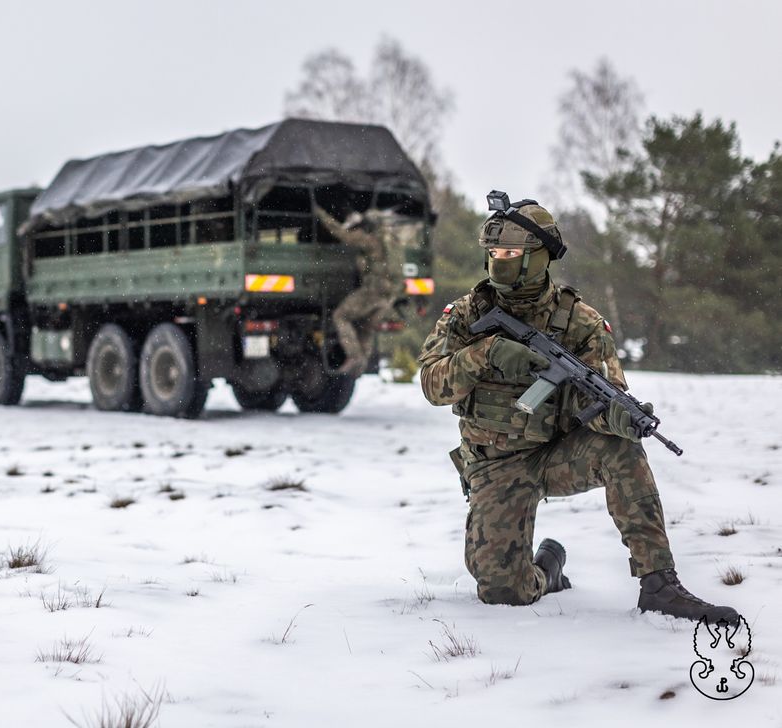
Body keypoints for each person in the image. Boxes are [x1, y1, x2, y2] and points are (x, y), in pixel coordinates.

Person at [416, 194, 738, 624]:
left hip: (555, 456)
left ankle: (659, 583)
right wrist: (486, 353)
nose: (499, 261)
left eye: (511, 253)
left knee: (621, 449)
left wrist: (619, 417)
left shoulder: (580, 322)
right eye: (493, 253)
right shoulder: (465, 313)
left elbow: (602, 392)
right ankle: (549, 567)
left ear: (539, 257)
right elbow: (431, 385)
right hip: (494, 465)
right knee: (501, 592)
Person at [314, 205, 403, 375]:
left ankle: (355, 357)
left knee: (340, 316)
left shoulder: (369, 240)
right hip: (389, 296)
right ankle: (361, 364)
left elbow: (340, 233)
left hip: (373, 291)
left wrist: (320, 213)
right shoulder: (393, 241)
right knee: (365, 326)